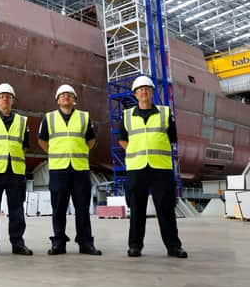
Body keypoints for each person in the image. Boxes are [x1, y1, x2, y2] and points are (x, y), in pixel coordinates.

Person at [118, 75, 187, 258]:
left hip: (160, 168)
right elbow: (122, 140)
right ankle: (135, 246)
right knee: (136, 209)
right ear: (135, 94)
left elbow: (172, 138)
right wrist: (137, 151)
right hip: (136, 167)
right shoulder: (127, 116)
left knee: (165, 209)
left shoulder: (165, 113)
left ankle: (173, 246)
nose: (144, 91)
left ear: (152, 92)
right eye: (140, 89)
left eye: (147, 88)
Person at [38, 84, 102, 256]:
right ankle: (58, 243)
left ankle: (85, 243)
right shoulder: (49, 118)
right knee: (58, 208)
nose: (66, 97)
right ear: (57, 100)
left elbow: (91, 140)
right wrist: (57, 152)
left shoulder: (84, 117)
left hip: (80, 169)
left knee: (82, 207)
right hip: (59, 169)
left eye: (69, 95)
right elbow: (42, 141)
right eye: (62, 95)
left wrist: (78, 151)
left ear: (74, 99)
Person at [0, 83, 33, 256]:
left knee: (16, 211)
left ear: (13, 100)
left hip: (15, 172)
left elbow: (25, 146)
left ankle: (18, 244)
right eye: (2, 96)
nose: (5, 99)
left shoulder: (22, 121)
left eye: (8, 97)